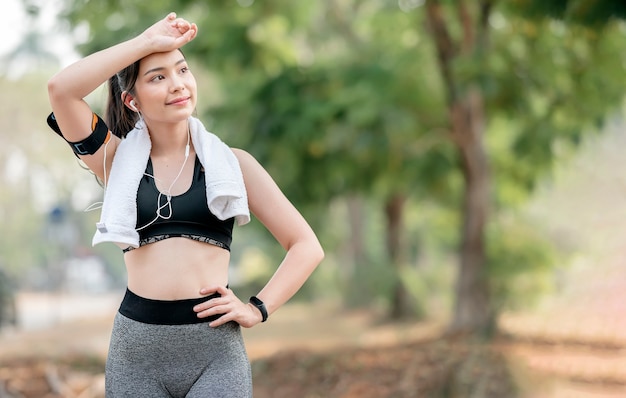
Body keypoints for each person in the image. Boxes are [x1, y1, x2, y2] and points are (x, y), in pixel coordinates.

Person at [47, 12, 324, 397]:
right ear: (132, 99)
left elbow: (306, 246)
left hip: (215, 353)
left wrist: (258, 308)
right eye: (157, 77)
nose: (177, 84)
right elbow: (61, 89)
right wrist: (146, 41)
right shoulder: (113, 159)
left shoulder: (233, 164)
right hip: (136, 355)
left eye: (182, 70)